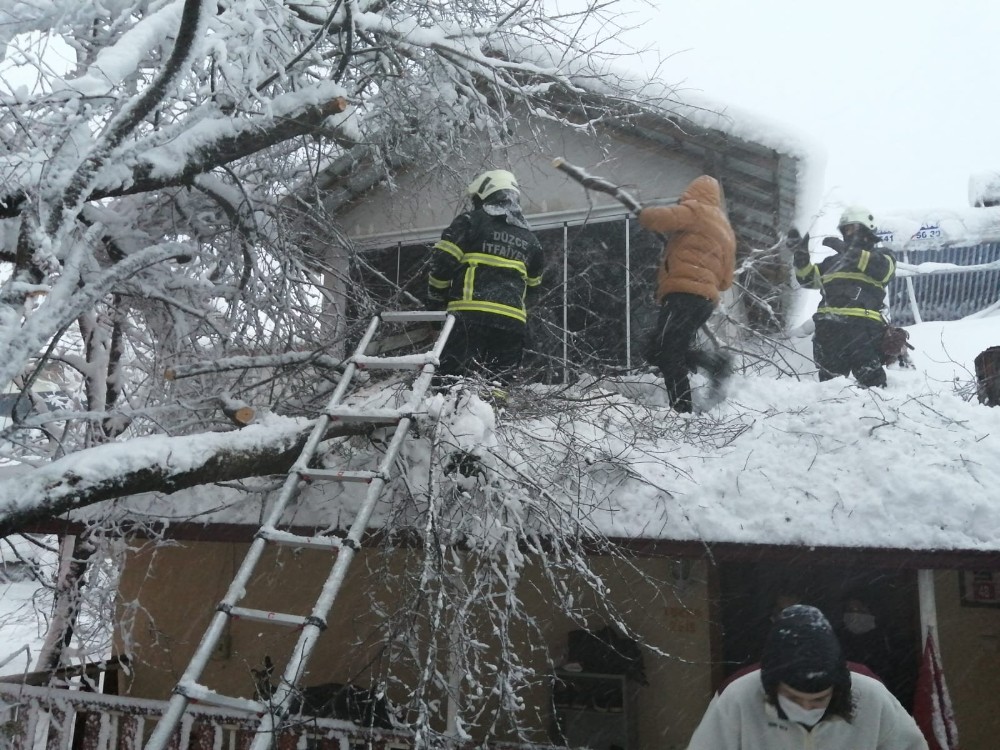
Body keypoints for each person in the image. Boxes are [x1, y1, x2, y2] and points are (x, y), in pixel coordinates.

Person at [688, 604, 928, 750]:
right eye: (793, 698)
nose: (806, 708)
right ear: (771, 685)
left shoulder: (872, 698)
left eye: (818, 700)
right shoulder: (738, 699)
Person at [427, 169, 544, 393]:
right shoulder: (531, 239)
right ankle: (494, 421)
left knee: (450, 381)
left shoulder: (471, 222)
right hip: (512, 324)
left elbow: (442, 263)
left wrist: (435, 300)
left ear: (485, 195)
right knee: (498, 386)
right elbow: (534, 287)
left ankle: (445, 421)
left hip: (469, 317)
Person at [639, 175, 736, 413]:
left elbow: (656, 219)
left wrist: (642, 213)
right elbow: (725, 281)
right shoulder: (725, 230)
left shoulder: (694, 210)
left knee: (664, 351)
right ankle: (711, 366)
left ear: (692, 193)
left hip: (682, 295)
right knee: (665, 349)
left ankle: (683, 409)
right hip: (704, 302)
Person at [789, 206, 897, 388]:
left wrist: (849, 251)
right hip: (828, 328)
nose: (849, 233)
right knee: (829, 386)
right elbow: (807, 280)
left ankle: (876, 415)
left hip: (862, 328)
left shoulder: (884, 255)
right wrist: (801, 256)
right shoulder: (831, 262)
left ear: (867, 230)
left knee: (872, 382)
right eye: (846, 229)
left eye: (854, 228)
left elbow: (881, 269)